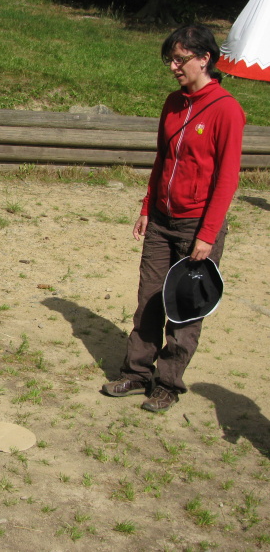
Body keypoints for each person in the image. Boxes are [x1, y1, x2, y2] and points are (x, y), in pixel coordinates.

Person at [102, 24, 246, 412]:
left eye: (180, 59)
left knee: (185, 307)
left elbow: (227, 178)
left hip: (197, 225)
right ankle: (136, 372)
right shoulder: (173, 102)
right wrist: (147, 208)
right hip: (162, 219)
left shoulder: (226, 110)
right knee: (149, 299)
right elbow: (163, 159)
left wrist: (207, 234)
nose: (173, 67)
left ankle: (167, 383)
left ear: (205, 58)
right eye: (170, 60)